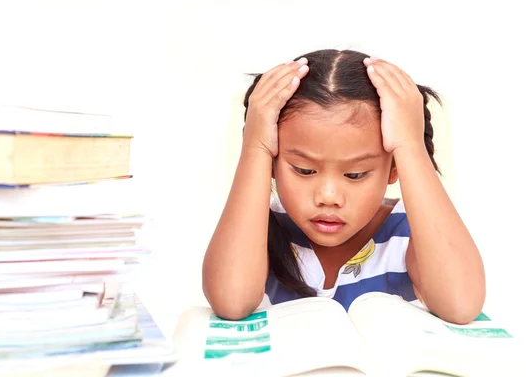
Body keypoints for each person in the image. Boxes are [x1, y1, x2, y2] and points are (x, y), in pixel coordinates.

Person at [202, 49, 485, 325]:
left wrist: (410, 147)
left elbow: (461, 306)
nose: (328, 197)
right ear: (273, 162)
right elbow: (231, 301)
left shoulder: (412, 233)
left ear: (395, 168)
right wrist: (256, 147)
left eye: (355, 174)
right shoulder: (255, 227)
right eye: (304, 170)